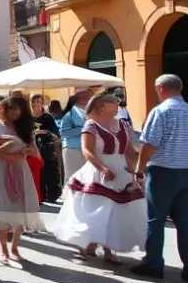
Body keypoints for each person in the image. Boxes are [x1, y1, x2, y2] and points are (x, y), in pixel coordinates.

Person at [133, 74, 188, 283]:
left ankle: (154, 264)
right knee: (186, 223)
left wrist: (140, 169)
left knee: (156, 220)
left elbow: (149, 145)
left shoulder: (160, 112)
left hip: (163, 172)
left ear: (161, 88)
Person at [52, 93, 146, 263]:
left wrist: (135, 169)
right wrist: (102, 168)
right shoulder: (91, 125)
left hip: (121, 172)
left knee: (115, 212)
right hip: (97, 172)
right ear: (102, 106)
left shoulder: (124, 125)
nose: (118, 104)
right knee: (96, 210)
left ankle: (109, 250)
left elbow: (130, 151)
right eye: (113, 102)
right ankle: (87, 245)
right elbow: (87, 151)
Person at [0, 96, 43, 263]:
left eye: (18, 110)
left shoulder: (25, 128)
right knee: (2, 208)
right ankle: (3, 250)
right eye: (11, 110)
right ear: (4, 110)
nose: (14, 113)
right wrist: (8, 151)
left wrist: (25, 151)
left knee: (19, 208)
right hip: (0, 170)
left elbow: (35, 153)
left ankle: (15, 248)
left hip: (21, 169)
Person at [31, 94, 62, 203]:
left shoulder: (48, 118)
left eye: (38, 102)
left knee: (49, 173)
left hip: (46, 149)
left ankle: (51, 195)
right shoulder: (27, 118)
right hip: (32, 149)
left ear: (42, 103)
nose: (35, 104)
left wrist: (47, 132)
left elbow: (57, 135)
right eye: (33, 102)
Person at [60, 90, 90, 189]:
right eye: (86, 97)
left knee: (86, 177)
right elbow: (63, 132)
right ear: (79, 99)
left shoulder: (90, 111)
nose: (89, 98)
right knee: (73, 176)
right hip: (72, 148)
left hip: (88, 148)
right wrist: (83, 129)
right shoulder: (69, 114)